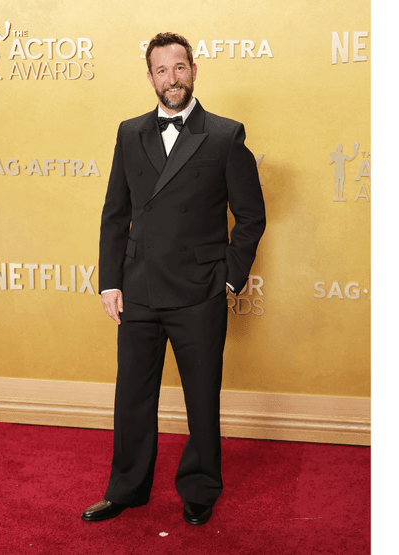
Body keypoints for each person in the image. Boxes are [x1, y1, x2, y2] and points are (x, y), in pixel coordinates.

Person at [82, 32, 266, 527]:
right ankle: (126, 489)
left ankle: (200, 489)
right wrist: (110, 282)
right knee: (132, 397)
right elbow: (113, 215)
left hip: (197, 292)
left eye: (179, 68)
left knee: (201, 396)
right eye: (161, 70)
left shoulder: (226, 135)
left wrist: (227, 279)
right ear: (150, 77)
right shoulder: (129, 132)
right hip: (138, 288)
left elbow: (250, 216)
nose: (172, 79)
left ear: (194, 70)